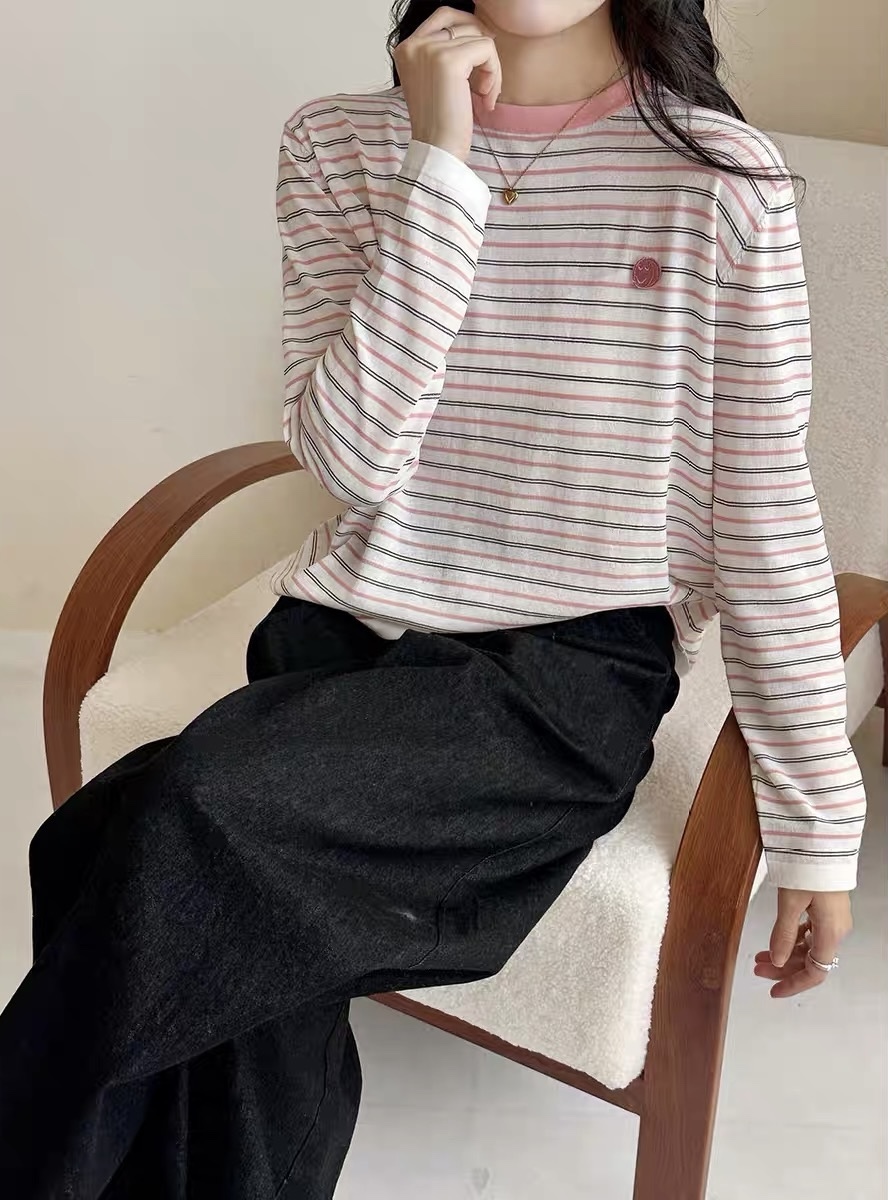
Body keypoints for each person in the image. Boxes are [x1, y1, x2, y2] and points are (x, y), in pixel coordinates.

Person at [0, 1, 866, 1196]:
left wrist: (819, 823)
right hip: (342, 632)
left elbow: (765, 515)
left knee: (173, 824)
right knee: (213, 927)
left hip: (560, 677)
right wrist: (440, 166)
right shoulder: (337, 144)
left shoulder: (717, 179)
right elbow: (352, 464)